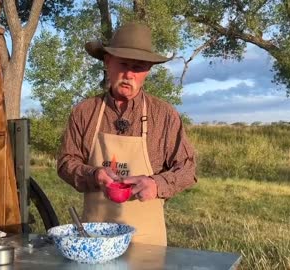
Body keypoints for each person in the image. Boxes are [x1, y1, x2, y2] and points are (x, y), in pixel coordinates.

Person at [57, 22, 197, 246]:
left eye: (139, 67)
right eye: (123, 64)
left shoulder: (164, 115)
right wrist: (93, 174)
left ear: (148, 70)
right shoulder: (85, 112)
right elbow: (66, 162)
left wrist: (156, 184)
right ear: (107, 62)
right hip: (95, 240)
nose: (129, 74)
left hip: (146, 242)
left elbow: (187, 169)